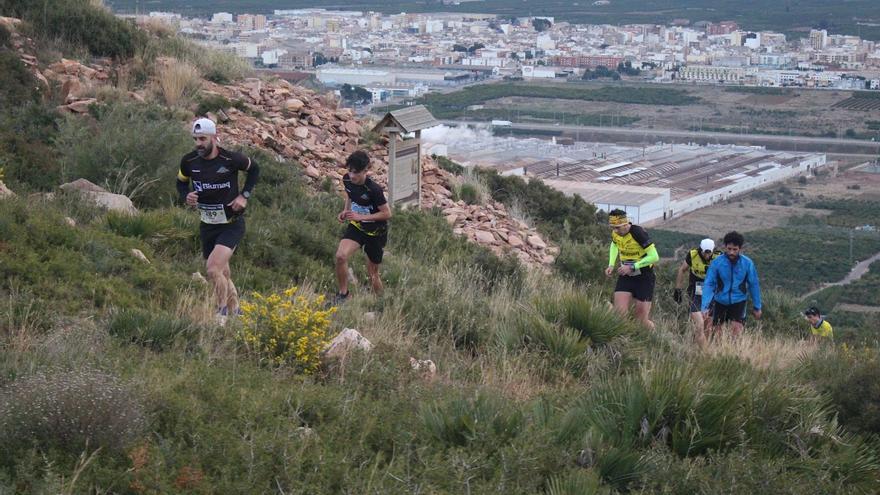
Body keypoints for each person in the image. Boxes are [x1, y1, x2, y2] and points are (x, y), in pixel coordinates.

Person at [176, 117, 260, 324]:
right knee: (223, 271)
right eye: (195, 139)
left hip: (231, 224)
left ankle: (220, 312)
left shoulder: (230, 159)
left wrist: (244, 196)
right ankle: (236, 310)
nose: (198, 144)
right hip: (207, 224)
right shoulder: (189, 161)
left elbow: (255, 169)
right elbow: (180, 183)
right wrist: (185, 196)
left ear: (214, 137)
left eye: (202, 139)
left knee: (213, 269)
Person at [334, 150, 391, 304]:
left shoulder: (374, 189)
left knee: (372, 273)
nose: (352, 176)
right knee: (340, 256)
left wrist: (361, 217)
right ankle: (343, 295)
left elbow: (387, 214)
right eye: (350, 171)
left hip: (376, 233)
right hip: (357, 228)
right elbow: (350, 196)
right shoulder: (346, 180)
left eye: (356, 172)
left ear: (366, 170)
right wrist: (346, 211)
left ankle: (381, 302)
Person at [604, 209, 659, 329]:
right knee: (619, 316)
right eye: (612, 227)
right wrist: (611, 264)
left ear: (625, 224)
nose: (615, 231)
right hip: (626, 275)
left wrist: (633, 267)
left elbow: (654, 256)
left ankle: (653, 333)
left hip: (644, 276)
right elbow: (614, 245)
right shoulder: (616, 233)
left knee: (641, 321)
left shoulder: (638, 233)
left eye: (617, 227)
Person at [700, 231, 762, 338]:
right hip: (720, 302)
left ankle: (734, 353)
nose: (731, 252)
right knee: (717, 336)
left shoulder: (747, 263)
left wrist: (757, 307)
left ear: (740, 249)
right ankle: (719, 353)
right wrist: (705, 306)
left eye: (735, 249)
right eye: (729, 249)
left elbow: (753, 285)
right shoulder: (717, 263)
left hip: (739, 302)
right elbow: (709, 284)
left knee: (736, 334)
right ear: (725, 247)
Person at [674, 238, 721, 346]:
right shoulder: (693, 255)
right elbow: (682, 270)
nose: (707, 256)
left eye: (709, 253)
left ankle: (702, 350)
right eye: (705, 252)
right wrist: (678, 289)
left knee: (708, 325)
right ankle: (703, 351)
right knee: (699, 324)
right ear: (701, 249)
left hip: (712, 293)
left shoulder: (719, 256)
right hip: (695, 292)